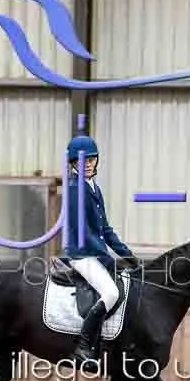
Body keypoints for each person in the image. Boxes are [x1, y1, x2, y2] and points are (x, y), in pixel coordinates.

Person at [62, 133, 138, 363]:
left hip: (94, 252)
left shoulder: (94, 188)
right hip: (81, 254)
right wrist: (107, 257)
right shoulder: (74, 189)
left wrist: (128, 255)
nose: (87, 164)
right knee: (111, 292)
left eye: (91, 159)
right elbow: (83, 232)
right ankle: (83, 346)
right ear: (73, 163)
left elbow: (105, 229)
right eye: (81, 161)